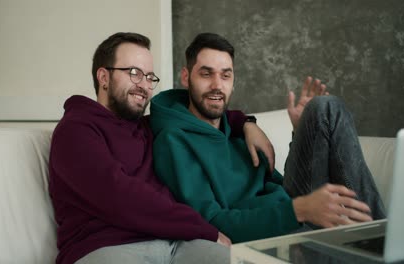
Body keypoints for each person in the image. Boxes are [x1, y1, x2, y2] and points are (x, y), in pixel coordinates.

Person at [48, 32, 274, 264]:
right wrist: (203, 229)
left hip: (175, 245)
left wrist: (245, 123)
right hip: (104, 248)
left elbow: (199, 112)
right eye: (134, 73)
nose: (144, 85)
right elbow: (120, 196)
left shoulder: (150, 127)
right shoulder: (76, 129)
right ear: (104, 77)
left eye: (149, 77)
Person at [149, 32, 386, 244]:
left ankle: (381, 235)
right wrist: (298, 211)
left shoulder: (238, 129)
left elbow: (280, 185)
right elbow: (211, 222)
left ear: (233, 81)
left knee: (324, 107)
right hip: (273, 232)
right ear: (185, 76)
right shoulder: (173, 141)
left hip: (293, 210)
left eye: (225, 75)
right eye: (206, 74)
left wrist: (300, 133)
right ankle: (381, 242)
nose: (216, 85)